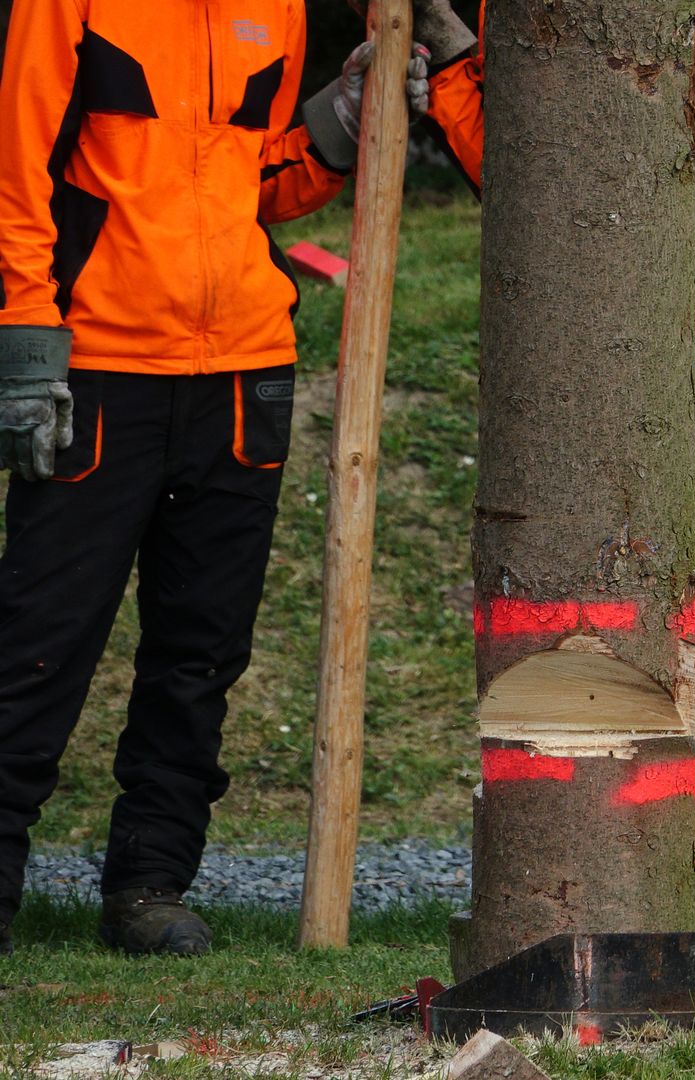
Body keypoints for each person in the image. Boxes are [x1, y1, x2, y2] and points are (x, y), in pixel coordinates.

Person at [409, 0, 695, 953]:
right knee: (570, 603)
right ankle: (578, 861)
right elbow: (530, 183)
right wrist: (456, 84)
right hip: (563, 361)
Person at [0, 1, 422, 956]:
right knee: (37, 647)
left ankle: (150, 884)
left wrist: (345, 117)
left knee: (199, 659)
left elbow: (263, 179)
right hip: (101, 363)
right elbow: (16, 165)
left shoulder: (272, 8)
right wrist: (26, 333)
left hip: (243, 367)